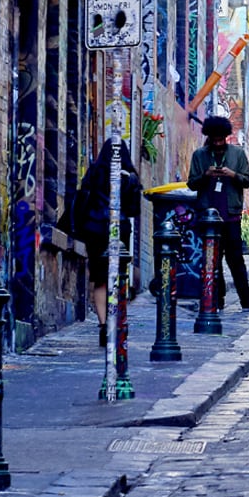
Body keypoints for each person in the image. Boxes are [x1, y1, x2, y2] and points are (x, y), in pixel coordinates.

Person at [72, 137, 142, 345]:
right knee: (118, 277)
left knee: (100, 278)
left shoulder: (94, 172)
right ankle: (117, 322)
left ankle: (104, 325)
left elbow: (82, 199)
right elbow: (133, 210)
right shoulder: (130, 177)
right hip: (119, 229)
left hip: (95, 229)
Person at [187, 113, 249, 310]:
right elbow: (192, 183)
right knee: (212, 260)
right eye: (214, 139)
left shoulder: (237, 154)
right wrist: (206, 175)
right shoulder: (199, 155)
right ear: (209, 137)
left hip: (231, 215)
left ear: (226, 136)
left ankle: (246, 299)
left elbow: (247, 180)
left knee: (236, 259)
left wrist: (232, 174)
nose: (218, 143)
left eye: (221, 139)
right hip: (208, 216)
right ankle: (216, 300)